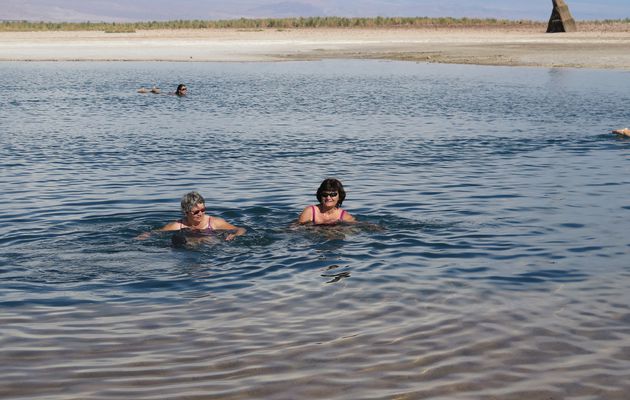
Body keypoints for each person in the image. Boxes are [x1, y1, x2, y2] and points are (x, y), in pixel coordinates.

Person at [138, 191, 246, 241]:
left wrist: (235, 235)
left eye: (203, 210)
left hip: (210, 245)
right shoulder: (178, 226)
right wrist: (144, 236)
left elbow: (241, 229)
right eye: (196, 212)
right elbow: (156, 233)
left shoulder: (214, 222)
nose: (201, 213)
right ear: (186, 212)